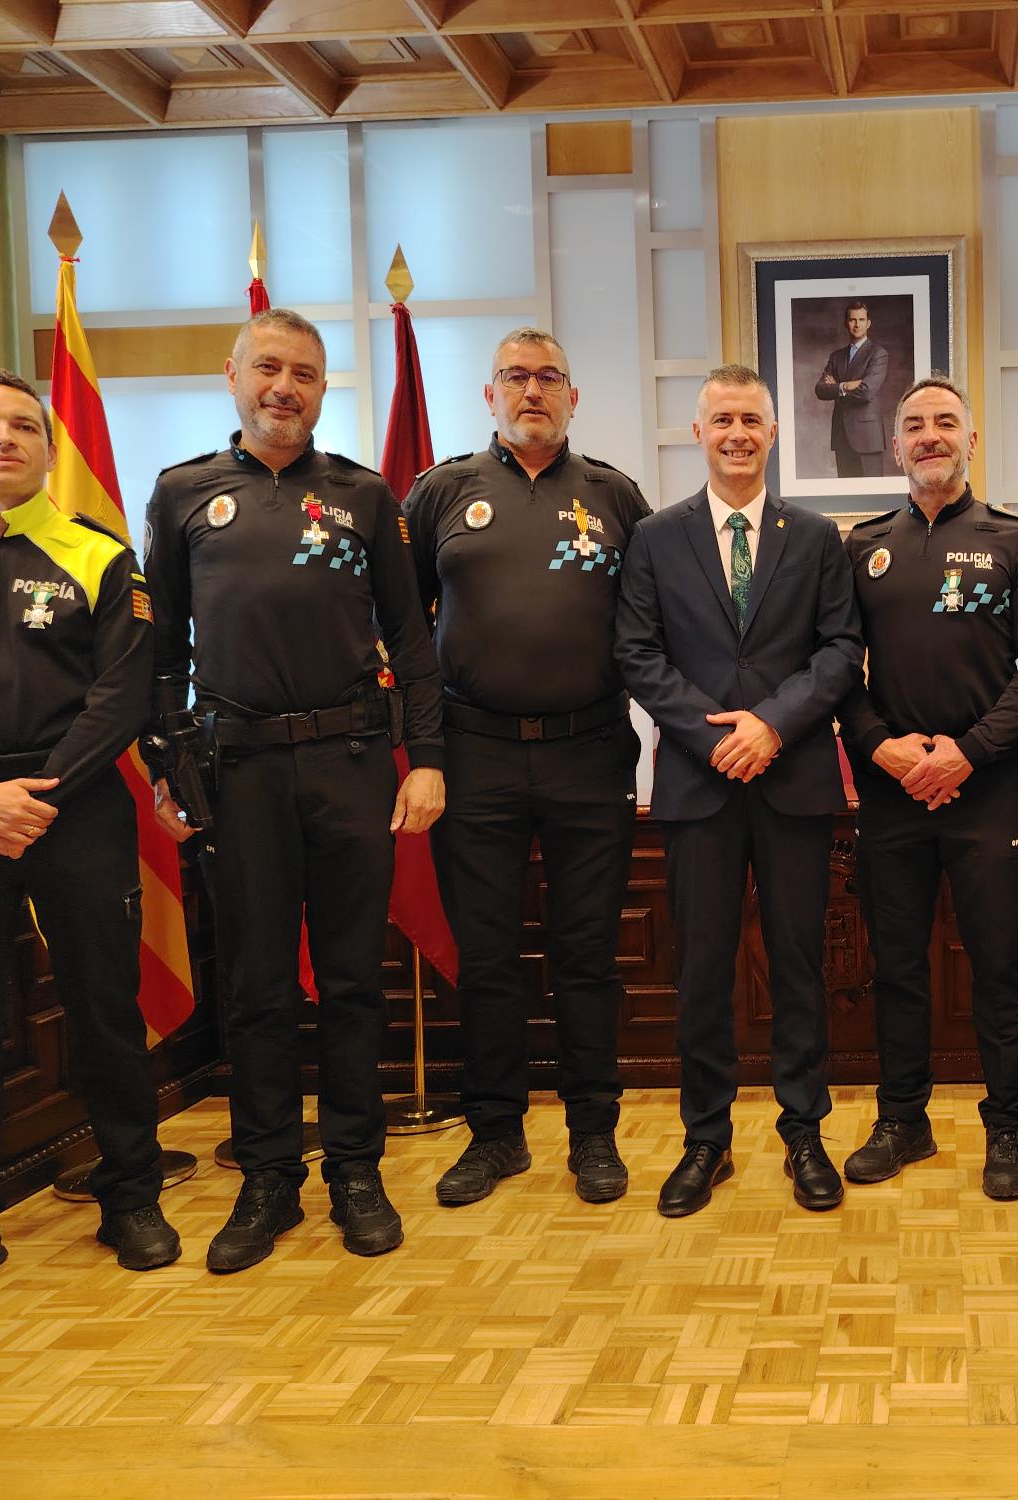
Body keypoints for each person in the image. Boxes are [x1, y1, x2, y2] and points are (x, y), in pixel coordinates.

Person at [144, 308, 445, 1273]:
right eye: (267, 368)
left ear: (323, 389)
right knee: (259, 984)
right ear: (233, 375)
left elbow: (412, 636)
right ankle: (269, 1175)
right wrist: (164, 762)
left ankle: (356, 1167)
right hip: (238, 773)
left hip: (351, 763)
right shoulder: (185, 493)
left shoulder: (363, 496)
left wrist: (427, 756)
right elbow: (159, 651)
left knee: (354, 979)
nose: (285, 386)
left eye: (305, 373)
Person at [0, 370, 178, 1320]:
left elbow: (123, 695)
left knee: (104, 1009)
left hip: (75, 807)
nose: (3, 438)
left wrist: (33, 798)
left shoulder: (100, 557)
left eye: (22, 425)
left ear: (49, 448)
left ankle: (130, 1195)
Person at [403, 328, 651, 1209]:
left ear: (574, 398)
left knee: (588, 956)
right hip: (474, 758)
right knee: (490, 957)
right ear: (490, 393)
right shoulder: (439, 493)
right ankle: (496, 1134)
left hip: (590, 753)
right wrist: (422, 755)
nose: (533, 390)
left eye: (550, 377)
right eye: (516, 376)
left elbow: (652, 627)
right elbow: (401, 635)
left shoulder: (616, 495)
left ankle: (594, 1135)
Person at [616, 364, 862, 1217]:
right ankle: (705, 1140)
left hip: (793, 779)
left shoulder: (817, 536)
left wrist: (771, 726)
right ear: (699, 432)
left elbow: (838, 651)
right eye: (722, 419)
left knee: (799, 966)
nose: (737, 434)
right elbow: (638, 653)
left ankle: (805, 1133)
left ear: (774, 432)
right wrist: (714, 733)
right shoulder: (655, 537)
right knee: (703, 972)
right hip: (696, 782)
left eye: (752, 420)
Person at [837, 376, 1018, 1200]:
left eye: (945, 423)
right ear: (893, 446)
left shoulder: (1017, 541)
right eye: (914, 426)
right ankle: (904, 1120)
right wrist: (880, 747)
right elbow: (836, 667)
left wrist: (967, 753)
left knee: (999, 968)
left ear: (972, 440)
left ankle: (1007, 1127)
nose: (930, 436)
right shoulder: (860, 546)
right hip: (893, 791)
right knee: (896, 967)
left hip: (987, 787)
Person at [815, 302, 889, 479]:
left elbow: (866, 392)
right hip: (842, 437)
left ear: (868, 323)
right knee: (846, 499)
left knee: (872, 497)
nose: (857, 324)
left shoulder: (878, 353)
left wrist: (836, 388)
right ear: (846, 323)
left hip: (868, 438)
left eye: (861, 320)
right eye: (852, 320)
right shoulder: (836, 356)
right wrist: (845, 386)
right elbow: (820, 390)